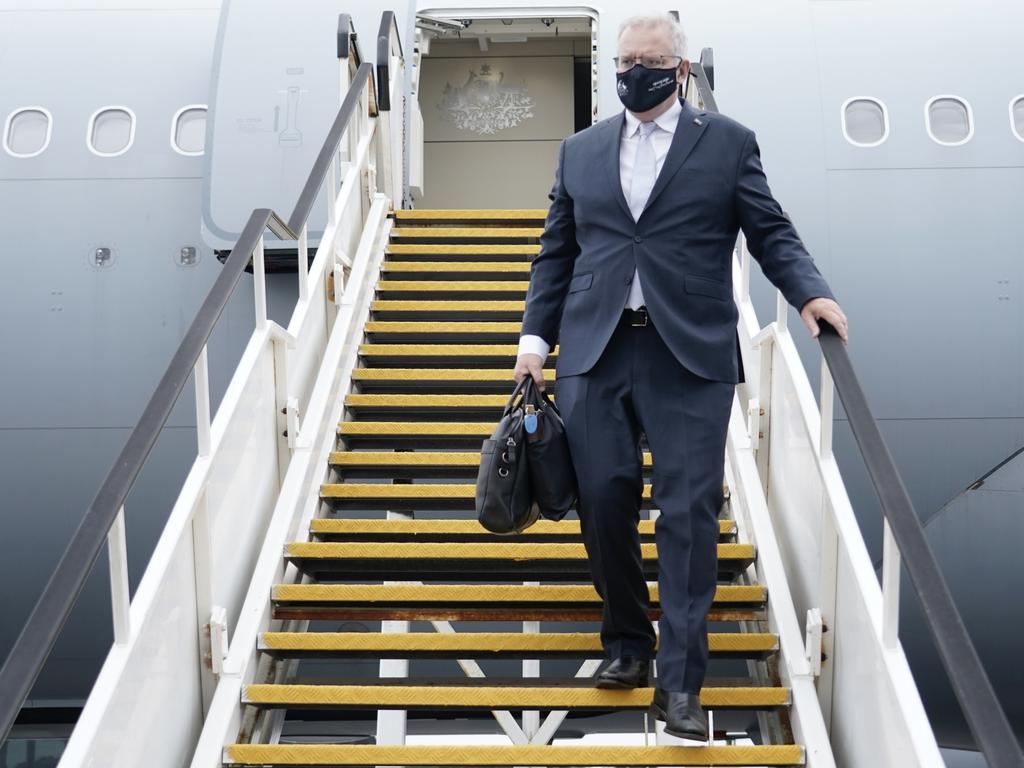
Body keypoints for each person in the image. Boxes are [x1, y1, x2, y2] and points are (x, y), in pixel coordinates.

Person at [511, 11, 849, 741]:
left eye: (649, 59)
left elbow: (770, 230)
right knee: (602, 502)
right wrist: (534, 341)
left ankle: (681, 687)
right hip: (596, 351)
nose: (635, 71)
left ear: (680, 68)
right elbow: (556, 253)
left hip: (688, 354)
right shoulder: (581, 151)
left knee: (687, 515)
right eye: (625, 60)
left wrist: (809, 292)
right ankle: (628, 644)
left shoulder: (725, 144)